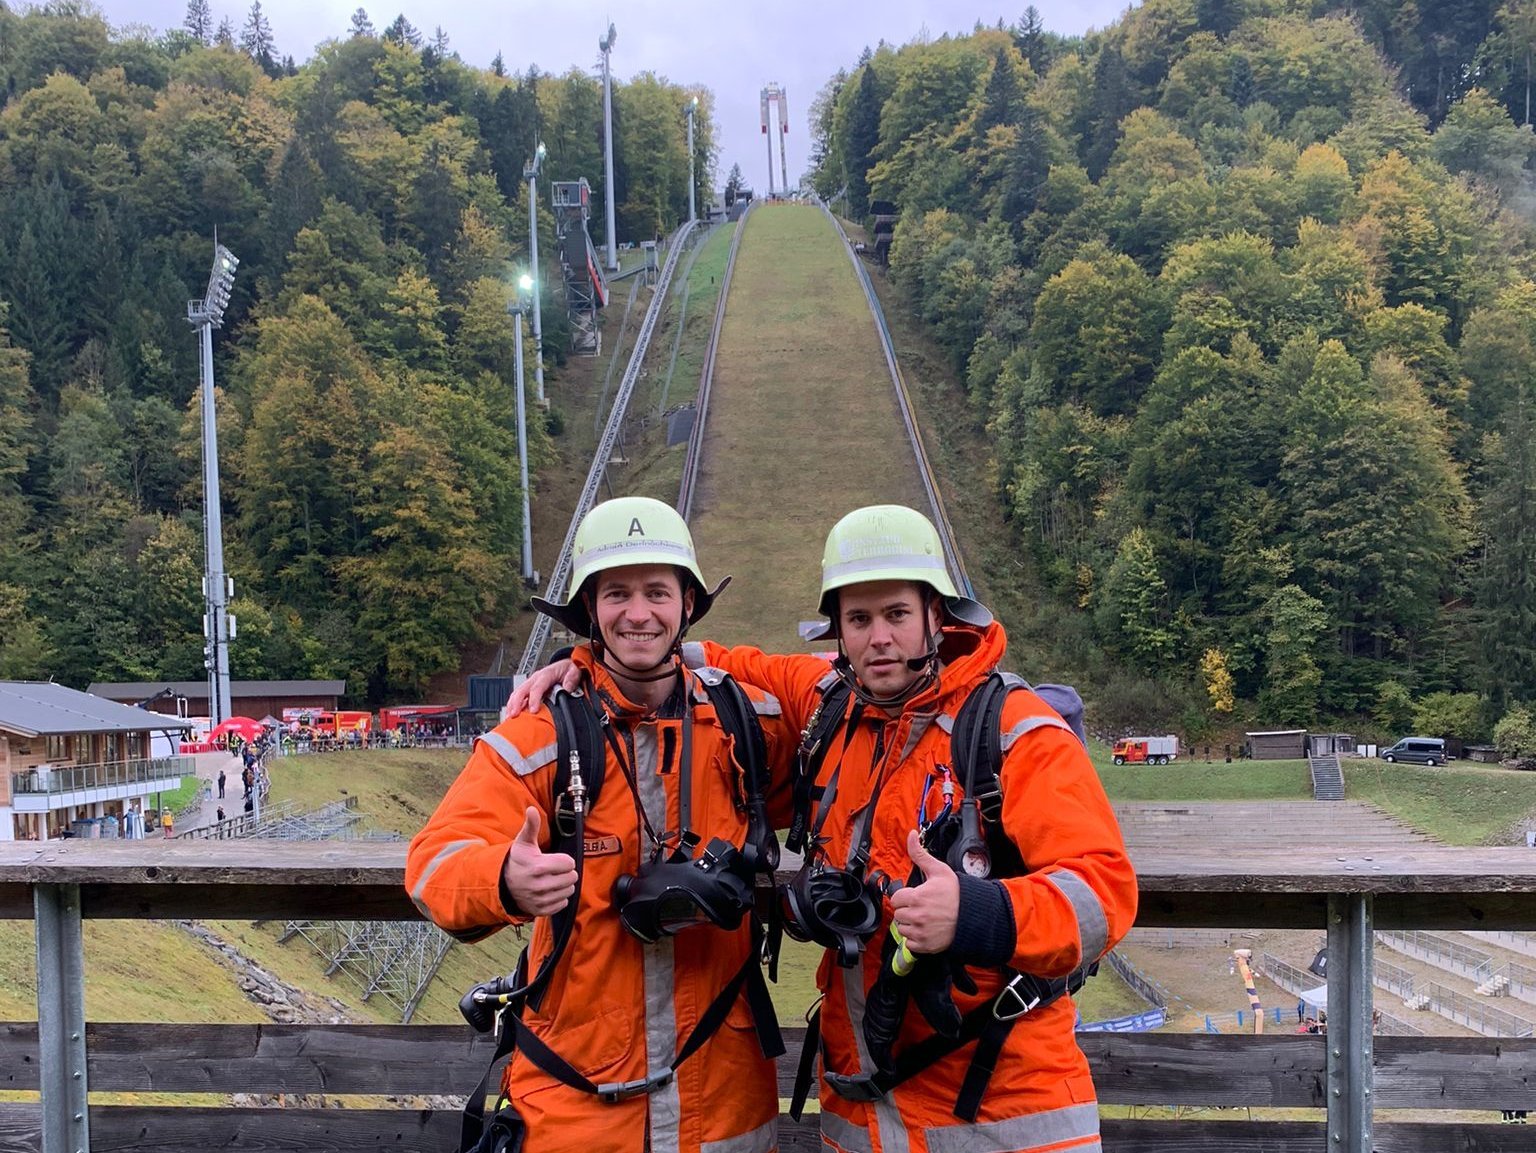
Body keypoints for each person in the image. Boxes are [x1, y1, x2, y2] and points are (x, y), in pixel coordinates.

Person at [513, 505, 1138, 1153]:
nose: (879, 639)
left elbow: (1105, 895)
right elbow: (692, 656)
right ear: (836, 629)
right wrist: (583, 659)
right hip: (862, 1113)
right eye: (858, 619)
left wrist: (977, 911)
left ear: (936, 614)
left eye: (896, 613)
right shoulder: (829, 704)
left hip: (1003, 1111)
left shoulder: (1012, 730)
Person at [406, 497, 797, 1153]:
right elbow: (434, 865)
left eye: (656, 592)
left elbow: (867, 690)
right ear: (591, 609)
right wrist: (502, 878)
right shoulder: (539, 734)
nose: (638, 612)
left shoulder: (746, 721)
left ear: (688, 605)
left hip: (725, 1113)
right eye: (616, 592)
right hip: (578, 1113)